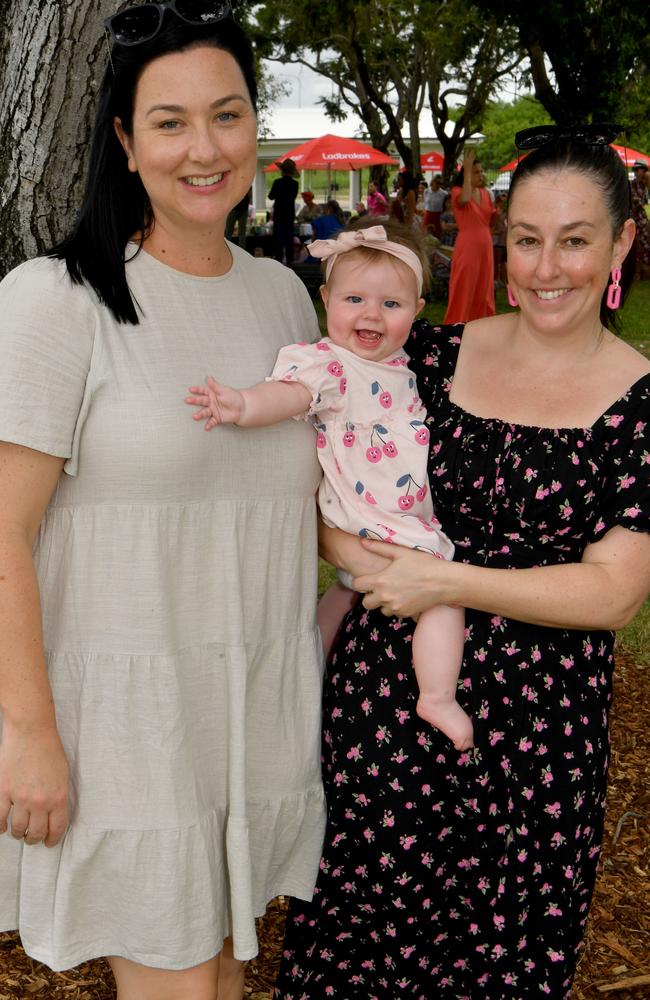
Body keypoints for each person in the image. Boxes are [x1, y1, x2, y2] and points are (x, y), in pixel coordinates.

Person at [274, 124, 650, 998]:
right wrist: (357, 556)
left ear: (622, 241)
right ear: (501, 240)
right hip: (386, 702)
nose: (547, 267)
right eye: (527, 240)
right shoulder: (429, 358)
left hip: (533, 740)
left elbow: (614, 593)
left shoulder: (640, 405)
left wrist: (444, 580)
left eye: (575, 240)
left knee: (494, 964)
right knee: (358, 952)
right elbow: (330, 483)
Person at [0, 5, 326, 1000]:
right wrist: (29, 733)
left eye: (226, 116)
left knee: (223, 977)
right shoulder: (56, 298)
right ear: (123, 142)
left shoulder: (285, 299)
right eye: (170, 121)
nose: (205, 148)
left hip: (252, 716)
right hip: (123, 731)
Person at [185, 221, 472, 750]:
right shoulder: (332, 366)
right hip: (381, 524)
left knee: (342, 595)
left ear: (417, 310)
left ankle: (302, 679)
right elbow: (291, 395)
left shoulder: (400, 367)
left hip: (386, 517)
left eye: (392, 304)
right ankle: (437, 694)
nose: (371, 314)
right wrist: (244, 405)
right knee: (443, 598)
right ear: (325, 300)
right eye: (355, 298)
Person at [444, 148, 496, 323]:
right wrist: (466, 169)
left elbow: (491, 219)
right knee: (464, 286)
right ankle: (457, 325)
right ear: (466, 173)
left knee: (484, 287)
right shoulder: (458, 192)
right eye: (476, 172)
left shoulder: (485, 194)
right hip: (468, 245)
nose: (480, 174)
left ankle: (482, 324)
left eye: (481, 171)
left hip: (485, 245)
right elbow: (465, 199)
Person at [268, 158, 299, 264]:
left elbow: (271, 197)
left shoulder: (277, 182)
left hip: (279, 214)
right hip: (290, 214)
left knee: (279, 239)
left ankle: (278, 260)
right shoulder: (295, 184)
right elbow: (293, 197)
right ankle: (290, 260)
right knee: (289, 239)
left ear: (282, 171)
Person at [630, 160, 650, 279]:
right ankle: (637, 272)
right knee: (635, 245)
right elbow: (635, 200)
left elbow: (641, 201)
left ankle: (643, 270)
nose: (638, 171)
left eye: (641, 169)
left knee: (645, 243)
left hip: (641, 217)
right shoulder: (631, 184)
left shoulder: (645, 183)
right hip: (633, 217)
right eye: (636, 169)